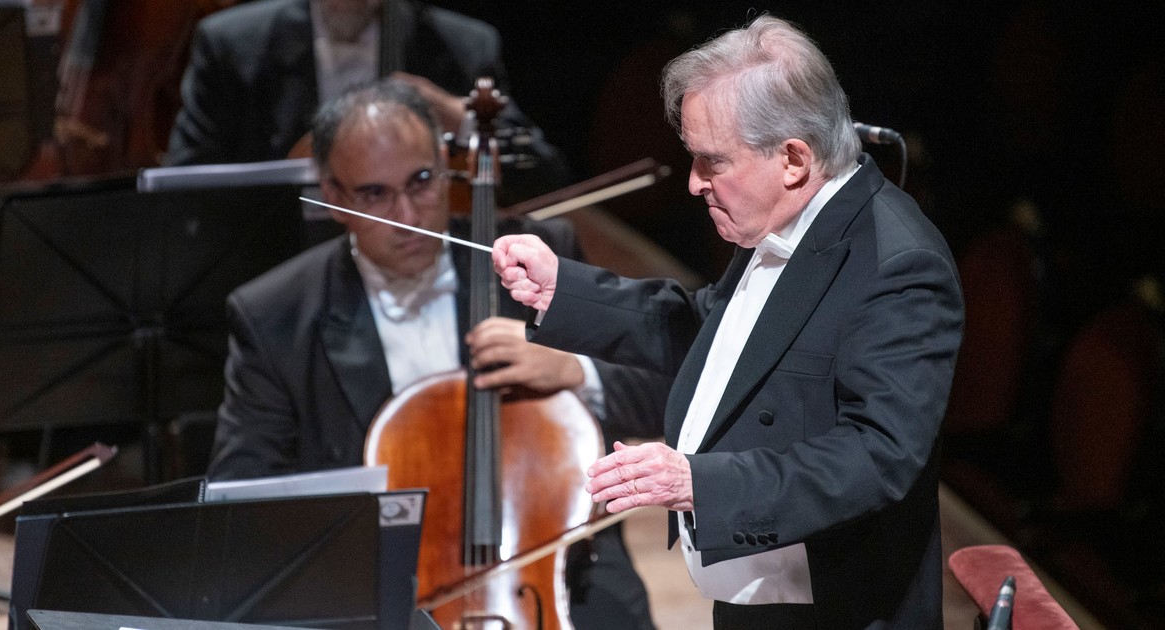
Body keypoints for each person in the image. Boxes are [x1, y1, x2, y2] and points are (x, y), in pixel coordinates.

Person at [493, 14, 965, 629]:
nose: (694, 184)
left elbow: (878, 456)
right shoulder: (781, 213)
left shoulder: (900, 266)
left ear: (793, 159)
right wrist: (566, 292)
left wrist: (699, 484)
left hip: (832, 611)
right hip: (754, 589)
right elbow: (717, 333)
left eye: (711, 162)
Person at [207, 79, 666, 629]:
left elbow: (666, 394)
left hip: (561, 570)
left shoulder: (536, 258)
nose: (407, 214)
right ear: (334, 198)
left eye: (421, 182)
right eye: (375, 194)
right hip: (381, 586)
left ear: (447, 169)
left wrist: (575, 371)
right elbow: (242, 492)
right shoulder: (276, 314)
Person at [166, 0, 568, 203]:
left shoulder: (462, 46)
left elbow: (541, 176)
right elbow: (184, 187)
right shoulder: (233, 44)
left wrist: (459, 117)